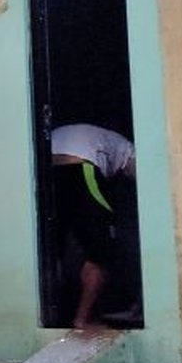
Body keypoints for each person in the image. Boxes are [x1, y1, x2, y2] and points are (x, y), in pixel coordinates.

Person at [50, 123, 136, 329]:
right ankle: (83, 319)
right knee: (100, 254)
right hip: (80, 168)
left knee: (54, 250)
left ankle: (60, 314)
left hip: (45, 173)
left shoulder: (105, 139)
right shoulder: (128, 150)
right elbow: (139, 179)